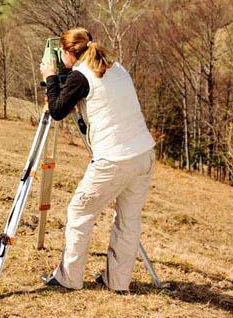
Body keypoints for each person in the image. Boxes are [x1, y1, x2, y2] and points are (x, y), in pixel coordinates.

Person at [39, 27, 155, 294]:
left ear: (68, 53)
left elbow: (57, 110)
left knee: (80, 212)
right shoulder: (115, 66)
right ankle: (118, 282)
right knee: (128, 220)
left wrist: (50, 77)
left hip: (114, 160)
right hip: (144, 154)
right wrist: (63, 78)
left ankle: (69, 277)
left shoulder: (81, 76)